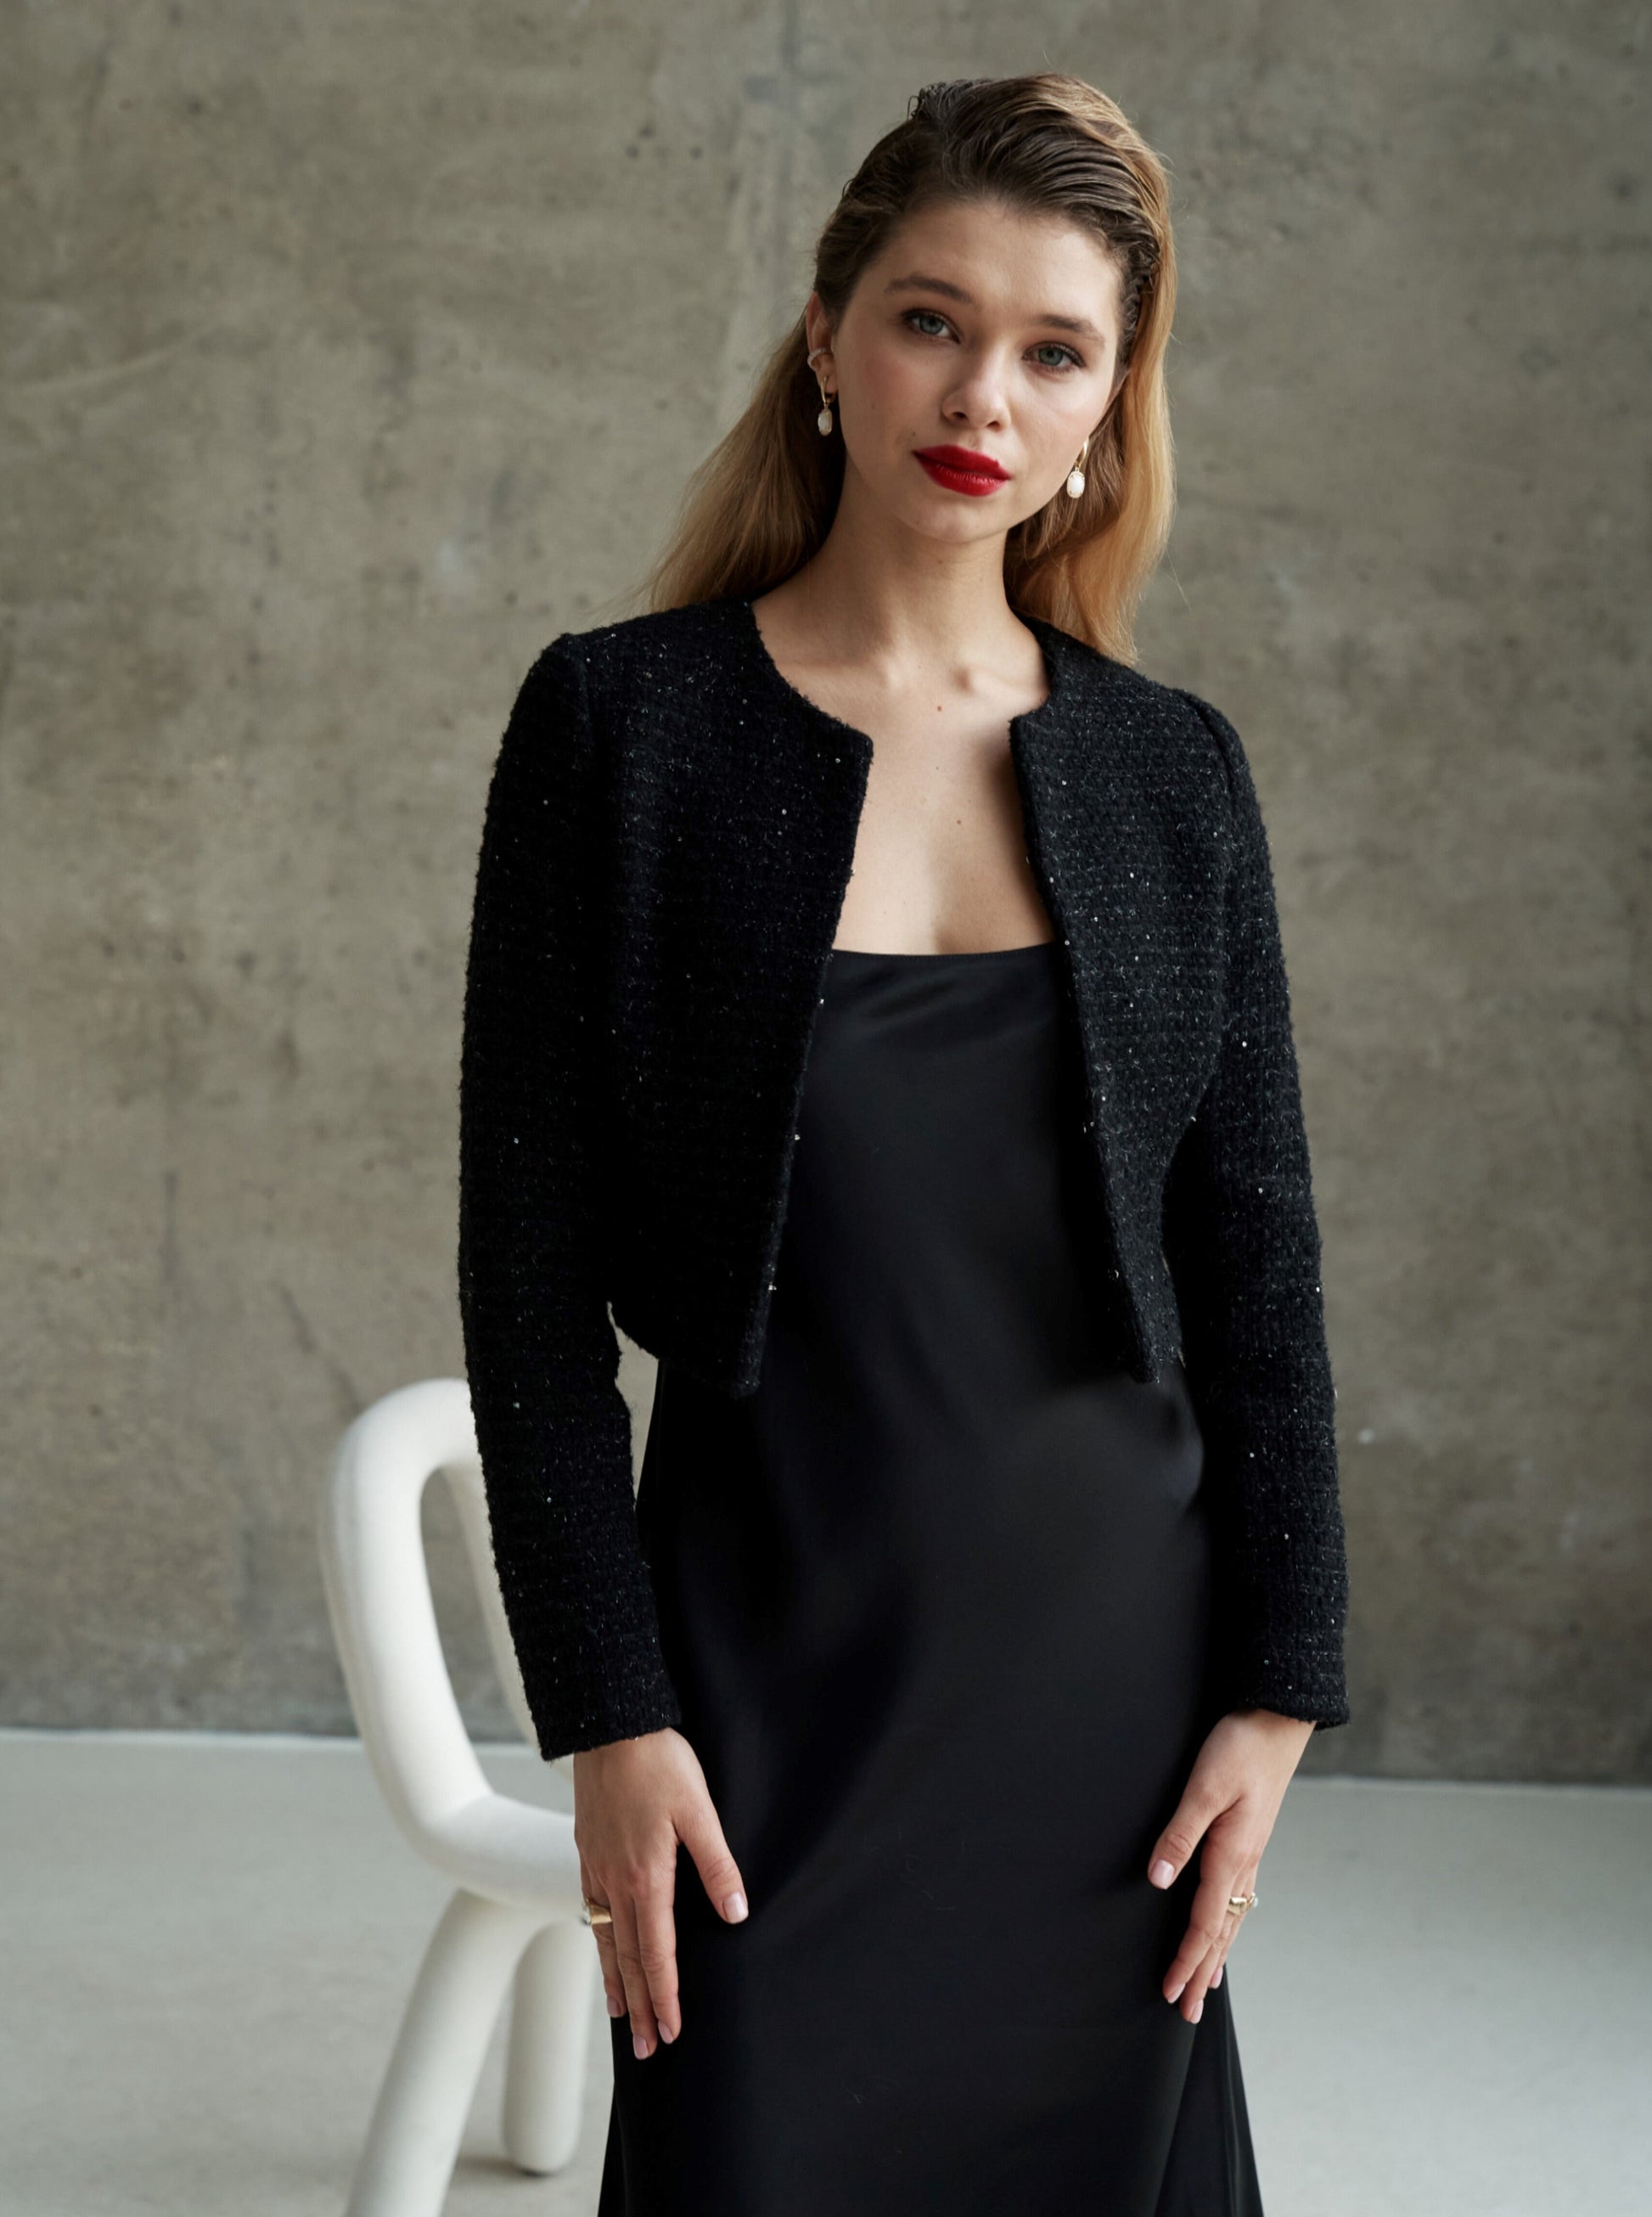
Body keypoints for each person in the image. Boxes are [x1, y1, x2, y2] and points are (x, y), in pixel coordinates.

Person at [457, 70, 1351, 2217]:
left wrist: (1276, 1693)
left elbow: (1256, 1265)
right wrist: (607, 1709)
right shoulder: (621, 726)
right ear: (826, 334)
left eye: (1054, 351)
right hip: (764, 1666)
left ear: (1108, 406)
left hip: (1110, 1692)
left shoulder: (1169, 773)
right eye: (931, 320)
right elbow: (526, 1278)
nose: (982, 396)